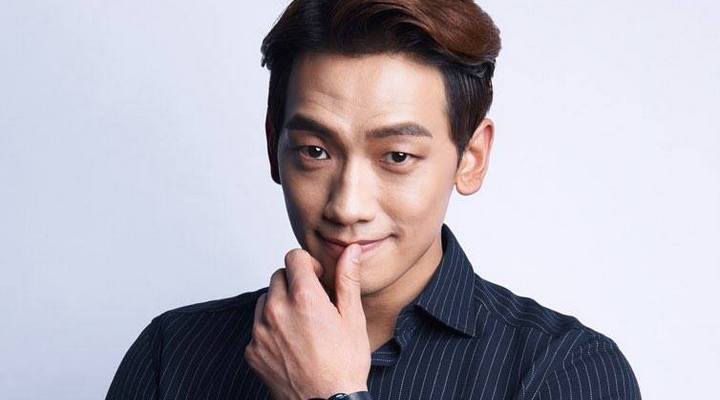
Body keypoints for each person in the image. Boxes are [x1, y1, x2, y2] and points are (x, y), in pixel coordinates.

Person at [106, 1, 641, 399]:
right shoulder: (171, 355)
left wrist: (330, 395)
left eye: (397, 156)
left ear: (471, 157)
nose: (348, 205)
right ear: (274, 147)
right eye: (315, 151)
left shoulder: (561, 371)